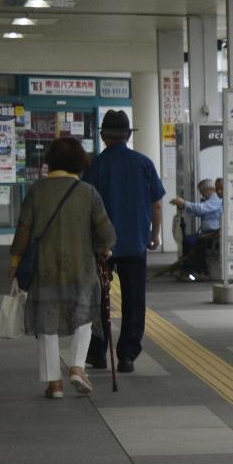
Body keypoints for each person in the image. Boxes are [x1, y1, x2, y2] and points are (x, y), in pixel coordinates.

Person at [10, 137, 114, 398]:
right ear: (80, 162)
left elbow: (23, 231)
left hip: (45, 270)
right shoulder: (88, 193)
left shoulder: (37, 191)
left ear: (50, 161)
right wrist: (104, 248)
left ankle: (54, 383)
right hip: (81, 269)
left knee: (47, 323)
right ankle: (78, 367)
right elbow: (106, 234)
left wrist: (15, 262)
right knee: (84, 317)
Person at [81, 108, 165, 372]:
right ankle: (127, 355)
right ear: (128, 135)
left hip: (102, 246)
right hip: (135, 244)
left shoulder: (96, 166)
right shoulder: (143, 163)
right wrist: (154, 235)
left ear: (104, 137)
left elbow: (87, 208)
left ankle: (97, 353)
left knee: (99, 298)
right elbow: (157, 205)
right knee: (134, 300)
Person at [173, 179, 223, 280]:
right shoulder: (209, 202)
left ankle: (201, 271)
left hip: (213, 234)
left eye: (202, 192)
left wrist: (185, 203)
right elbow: (199, 211)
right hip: (208, 233)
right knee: (187, 240)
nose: (202, 195)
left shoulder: (216, 200)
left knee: (196, 241)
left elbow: (202, 209)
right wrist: (184, 206)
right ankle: (187, 268)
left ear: (209, 189)